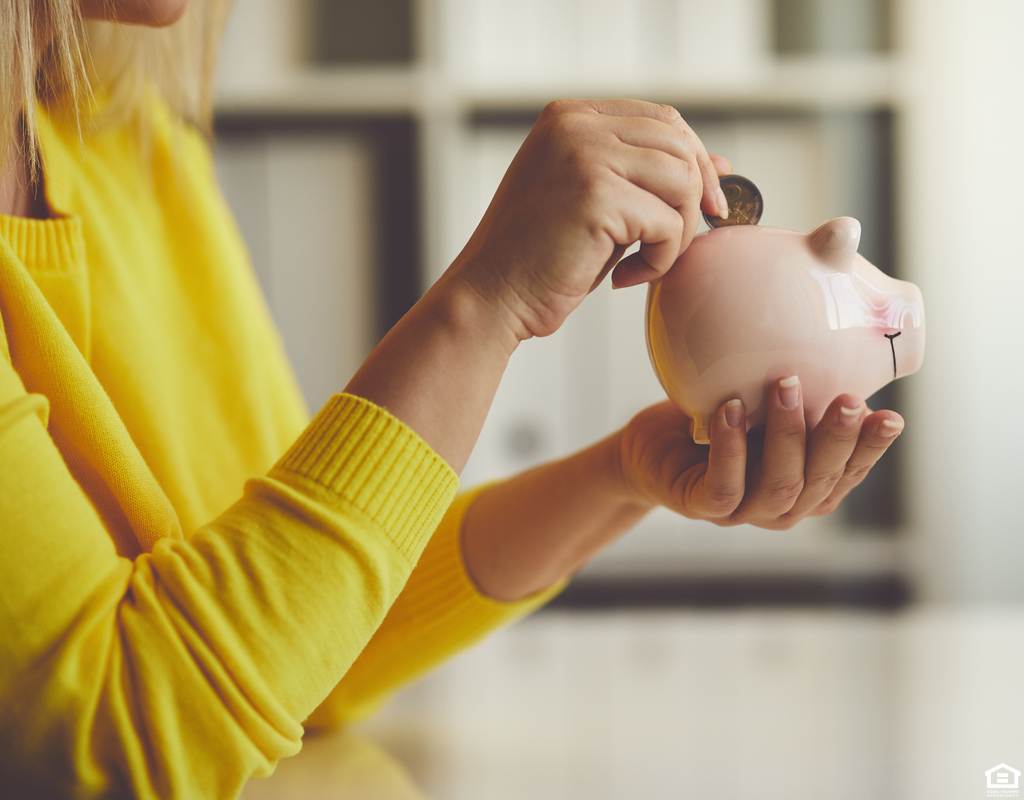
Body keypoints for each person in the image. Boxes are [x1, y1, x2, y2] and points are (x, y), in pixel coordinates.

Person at [0, 0, 906, 797]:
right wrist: (485, 303)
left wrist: (625, 471)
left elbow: (307, 642)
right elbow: (111, 746)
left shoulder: (135, 156)